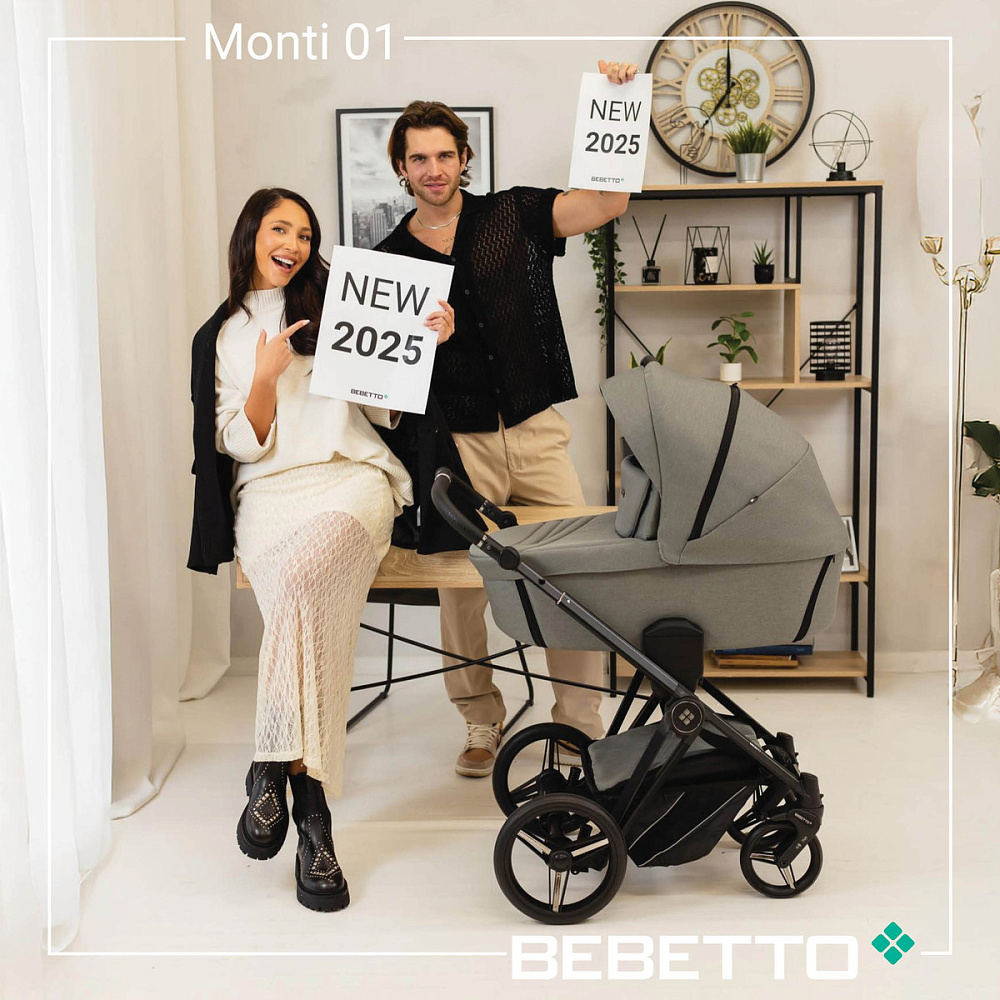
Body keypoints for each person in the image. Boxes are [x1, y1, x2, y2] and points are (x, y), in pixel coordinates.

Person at [187, 187, 454, 911]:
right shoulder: (219, 336)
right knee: (308, 616)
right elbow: (236, 445)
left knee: (303, 583)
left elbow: (383, 411)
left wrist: (419, 349)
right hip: (269, 497)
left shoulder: (338, 304)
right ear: (250, 235)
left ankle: (271, 761)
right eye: (281, 229)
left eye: (306, 234)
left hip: (352, 480)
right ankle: (312, 816)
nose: (295, 244)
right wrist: (265, 379)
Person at [376, 59, 639, 777]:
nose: (433, 170)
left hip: (535, 429)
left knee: (573, 574)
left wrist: (618, 103)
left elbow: (608, 204)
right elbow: (385, 386)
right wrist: (424, 347)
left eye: (444, 155)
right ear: (401, 167)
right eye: (418, 158)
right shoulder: (388, 261)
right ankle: (480, 718)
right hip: (456, 445)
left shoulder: (514, 214)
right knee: (458, 588)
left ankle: (578, 726)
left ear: (464, 157)